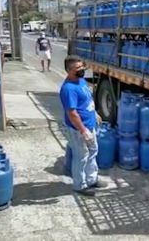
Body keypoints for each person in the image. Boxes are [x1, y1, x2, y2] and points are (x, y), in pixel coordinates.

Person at [60, 55, 106, 196]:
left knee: (93, 151)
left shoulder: (80, 81)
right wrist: (83, 130)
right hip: (78, 129)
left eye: (82, 66)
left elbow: (87, 99)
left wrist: (95, 113)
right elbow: (72, 113)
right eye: (77, 68)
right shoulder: (68, 89)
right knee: (81, 156)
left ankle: (92, 179)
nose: (81, 69)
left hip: (89, 124)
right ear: (69, 70)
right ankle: (79, 185)